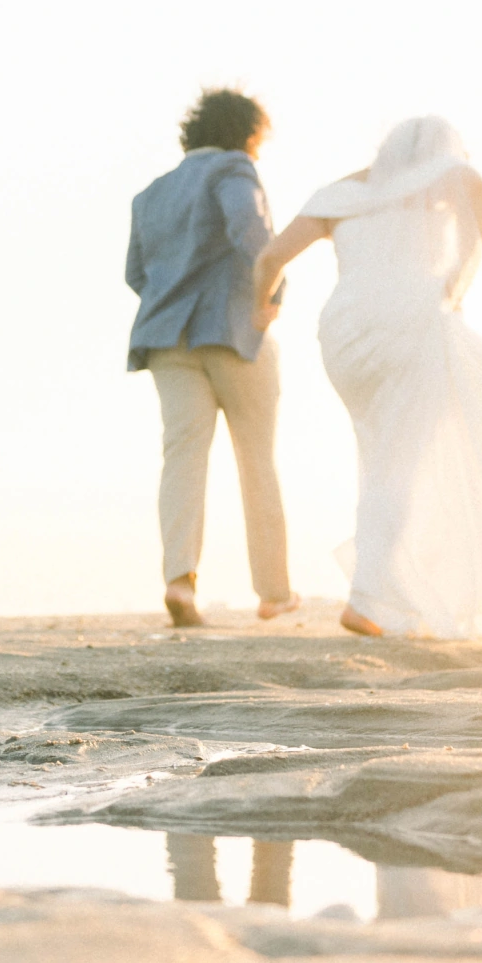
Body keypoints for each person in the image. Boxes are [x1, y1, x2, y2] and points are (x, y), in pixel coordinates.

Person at [252, 117, 482, 638]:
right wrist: (449, 293)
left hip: (345, 335)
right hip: (411, 326)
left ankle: (389, 594)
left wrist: (260, 307)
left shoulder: (338, 195)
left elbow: (270, 257)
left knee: (381, 453)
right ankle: (367, 598)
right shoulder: (455, 183)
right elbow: (472, 241)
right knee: (400, 461)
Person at [125, 88, 301, 627]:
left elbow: (136, 274)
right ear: (248, 134)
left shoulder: (151, 193)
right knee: (256, 460)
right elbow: (253, 233)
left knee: (181, 458)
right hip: (230, 330)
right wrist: (270, 295)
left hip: (164, 338)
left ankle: (180, 582)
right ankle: (273, 593)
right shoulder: (234, 169)